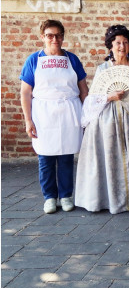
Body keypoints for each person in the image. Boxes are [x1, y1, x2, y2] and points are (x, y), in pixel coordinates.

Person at [75, 25, 129, 214]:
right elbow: (92, 100)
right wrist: (109, 97)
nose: (122, 46)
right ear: (110, 46)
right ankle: (110, 198)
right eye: (118, 43)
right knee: (110, 157)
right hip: (108, 120)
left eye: (125, 42)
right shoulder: (103, 69)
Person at [20, 20, 88, 214]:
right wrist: (28, 119)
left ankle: (66, 195)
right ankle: (49, 197)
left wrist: (86, 116)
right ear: (42, 37)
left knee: (66, 156)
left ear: (63, 37)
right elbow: (25, 92)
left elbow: (83, 90)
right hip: (43, 114)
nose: (54, 39)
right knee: (46, 158)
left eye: (58, 35)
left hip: (69, 112)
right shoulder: (33, 60)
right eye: (50, 35)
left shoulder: (72, 59)